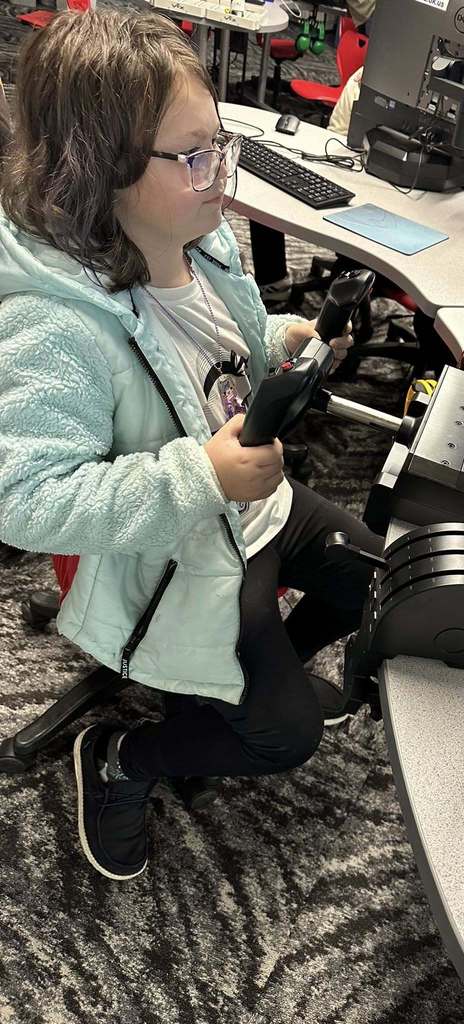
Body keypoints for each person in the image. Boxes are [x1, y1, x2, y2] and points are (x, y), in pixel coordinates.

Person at [0, 8, 384, 882]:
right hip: (176, 550)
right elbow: (23, 499)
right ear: (103, 170)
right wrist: (196, 475)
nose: (224, 179)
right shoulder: (53, 326)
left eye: (224, 146)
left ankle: (251, 673)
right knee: (284, 736)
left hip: (250, 510)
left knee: (384, 581)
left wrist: (278, 343)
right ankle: (120, 756)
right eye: (197, 156)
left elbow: (213, 352)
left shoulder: (198, 239)